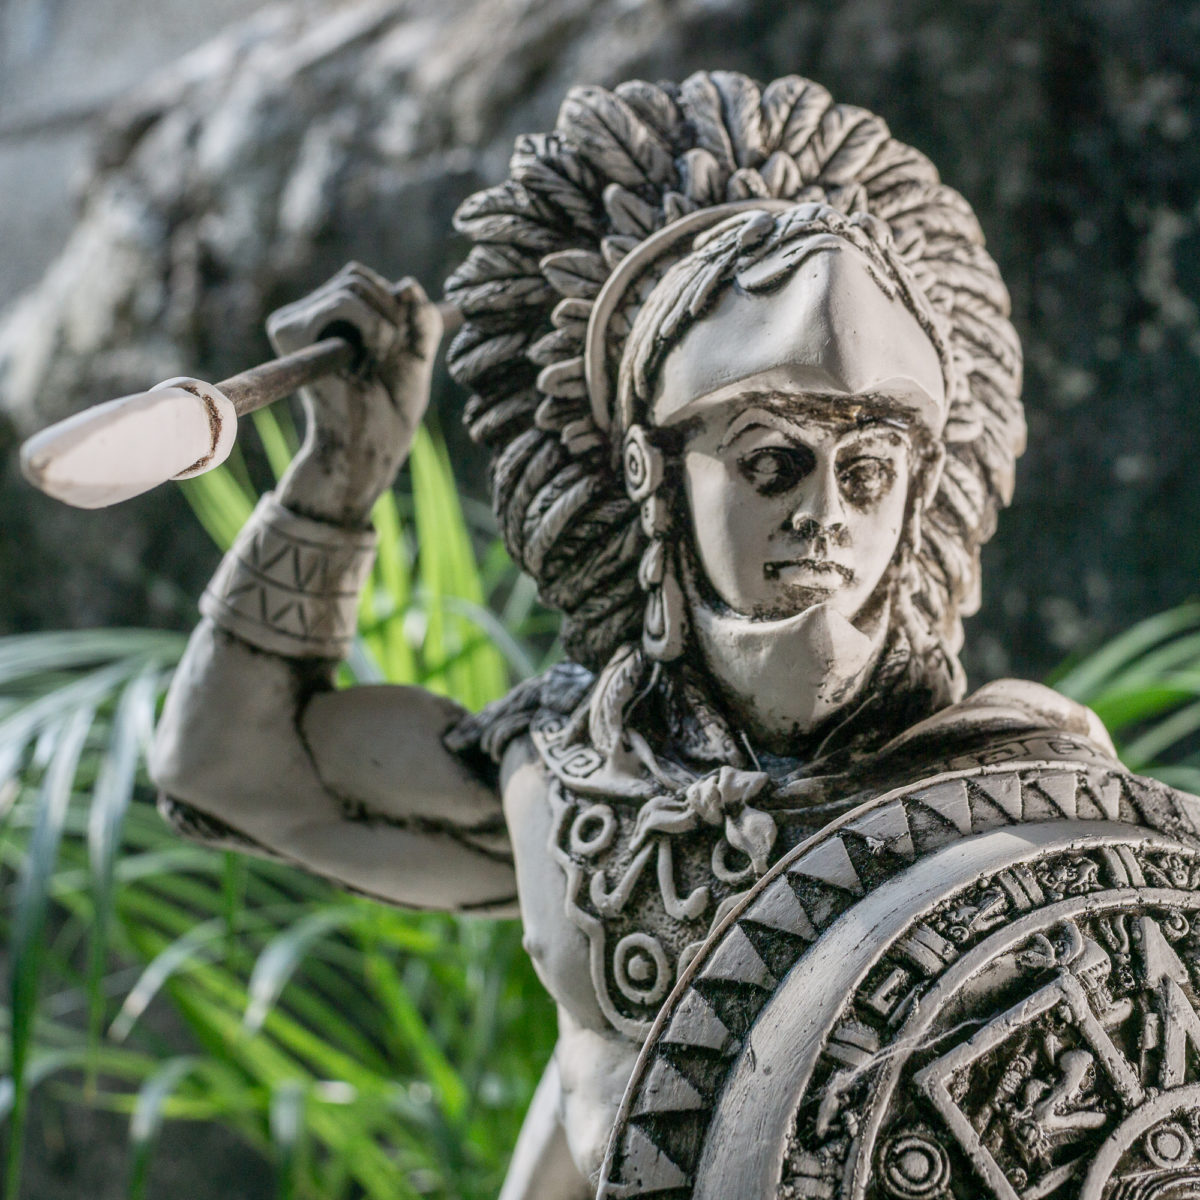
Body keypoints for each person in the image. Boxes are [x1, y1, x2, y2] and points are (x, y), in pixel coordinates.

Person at [150, 72, 1117, 1198]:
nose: (825, 515)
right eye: (772, 462)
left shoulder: (1020, 778)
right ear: (654, 476)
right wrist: (341, 471)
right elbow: (230, 770)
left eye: (867, 472)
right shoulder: (566, 775)